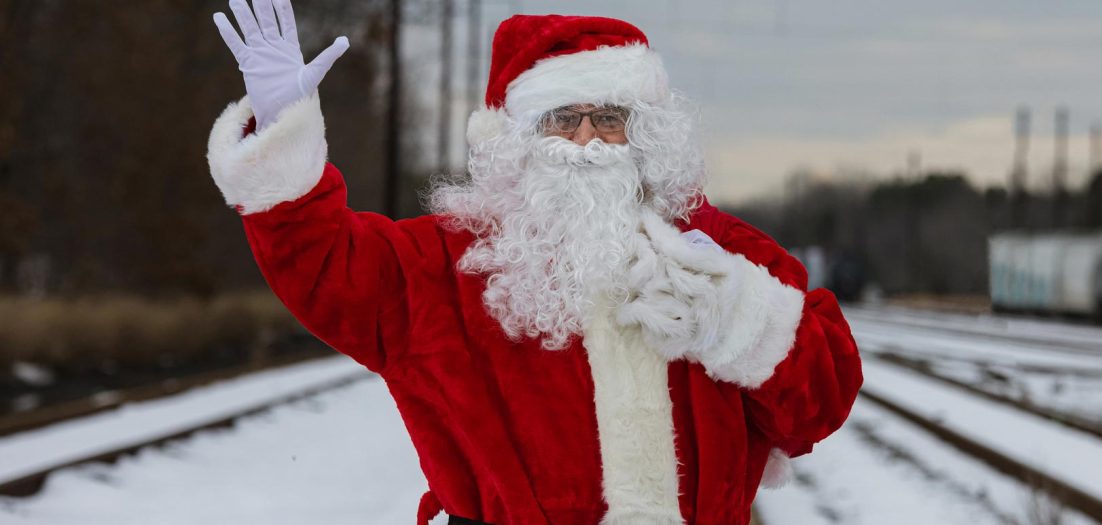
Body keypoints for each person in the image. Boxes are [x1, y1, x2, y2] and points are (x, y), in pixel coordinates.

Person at [207, 2, 863, 524]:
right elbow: (326, 267)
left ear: (647, 132)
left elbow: (822, 401)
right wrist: (281, 134)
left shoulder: (723, 251)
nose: (586, 141)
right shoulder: (449, 263)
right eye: (561, 118)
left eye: (609, 117)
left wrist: (737, 318)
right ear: (516, 138)